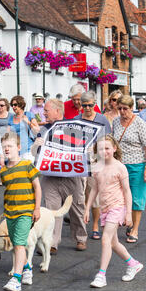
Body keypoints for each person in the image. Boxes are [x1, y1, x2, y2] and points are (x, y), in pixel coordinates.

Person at [84, 135, 143, 288]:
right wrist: (87, 208)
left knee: (105, 239)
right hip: (105, 209)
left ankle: (101, 275)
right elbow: (94, 189)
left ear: (114, 149)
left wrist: (128, 213)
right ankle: (133, 264)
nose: (105, 152)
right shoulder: (97, 167)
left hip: (117, 207)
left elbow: (127, 191)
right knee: (114, 243)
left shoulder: (120, 167)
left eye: (108, 148)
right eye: (101, 149)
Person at [31, 99, 88, 252]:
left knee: (77, 208)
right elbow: (34, 154)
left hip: (71, 176)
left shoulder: (73, 128)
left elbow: (83, 148)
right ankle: (51, 243)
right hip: (50, 177)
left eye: (46, 111)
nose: (43, 113)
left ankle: (80, 238)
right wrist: (37, 145)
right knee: (51, 210)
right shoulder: (44, 130)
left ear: (57, 111)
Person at [0, 132, 41, 291]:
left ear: (18, 147)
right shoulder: (3, 171)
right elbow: (8, 190)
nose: (6, 149)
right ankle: (27, 267)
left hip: (26, 211)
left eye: (9, 146)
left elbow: (37, 187)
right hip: (10, 213)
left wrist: (36, 208)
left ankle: (16, 279)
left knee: (19, 244)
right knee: (17, 243)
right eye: (4, 147)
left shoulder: (26, 165)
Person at [112, 95, 146, 244]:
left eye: (125, 109)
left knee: (136, 198)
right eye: (120, 108)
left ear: (131, 108)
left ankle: (135, 229)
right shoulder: (116, 122)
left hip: (137, 165)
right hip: (120, 165)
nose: (122, 111)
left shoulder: (139, 123)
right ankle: (126, 222)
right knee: (119, 198)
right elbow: (113, 142)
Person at [74, 91, 111, 240]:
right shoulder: (76, 120)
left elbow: (108, 140)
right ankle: (80, 228)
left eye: (90, 105)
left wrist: (97, 148)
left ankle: (95, 225)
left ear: (95, 104)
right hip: (79, 162)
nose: (88, 108)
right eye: (84, 105)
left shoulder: (102, 119)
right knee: (79, 196)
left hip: (96, 161)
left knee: (94, 195)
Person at [6, 96, 38, 161]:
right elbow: (8, 135)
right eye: (12, 105)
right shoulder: (11, 119)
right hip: (16, 151)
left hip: (28, 150)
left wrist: (28, 122)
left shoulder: (29, 115)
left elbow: (37, 130)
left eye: (15, 105)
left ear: (21, 105)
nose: (13, 107)